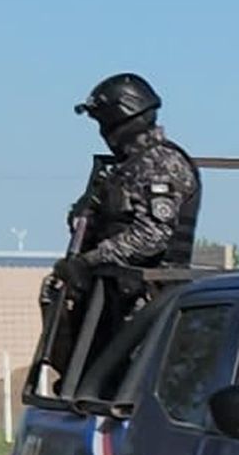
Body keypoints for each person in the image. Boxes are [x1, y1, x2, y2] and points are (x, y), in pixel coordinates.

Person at [40, 72, 200, 384]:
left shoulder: (161, 163)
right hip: (112, 295)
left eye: (104, 122)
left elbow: (152, 235)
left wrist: (89, 261)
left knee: (129, 382)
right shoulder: (125, 167)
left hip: (146, 299)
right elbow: (91, 220)